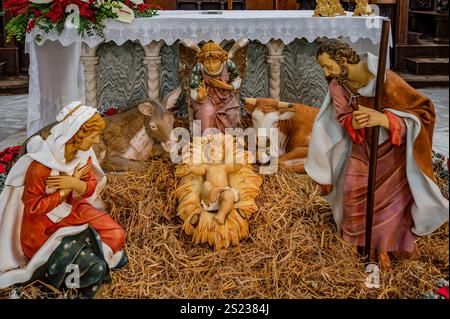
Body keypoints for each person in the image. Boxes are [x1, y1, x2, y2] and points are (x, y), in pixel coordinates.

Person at [305, 38, 449, 270]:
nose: (325, 72)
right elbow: (341, 117)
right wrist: (355, 120)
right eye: (323, 67)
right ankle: (354, 243)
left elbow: (423, 112)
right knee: (352, 190)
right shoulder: (337, 86)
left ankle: (384, 247)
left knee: (392, 204)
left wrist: (383, 118)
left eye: (328, 65)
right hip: (362, 148)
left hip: (392, 153)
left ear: (342, 60)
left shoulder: (385, 78)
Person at [0, 102, 126, 294]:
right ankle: (82, 259)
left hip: (73, 211)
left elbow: (90, 186)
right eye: (93, 136)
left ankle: (88, 250)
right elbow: (33, 208)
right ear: (77, 134)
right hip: (41, 228)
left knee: (117, 235)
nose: (96, 141)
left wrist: (75, 184)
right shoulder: (41, 166)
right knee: (94, 264)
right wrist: (64, 191)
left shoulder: (83, 155)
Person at [189, 42, 242, 132]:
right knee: (207, 113)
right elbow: (193, 89)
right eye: (207, 62)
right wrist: (199, 97)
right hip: (207, 97)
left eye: (215, 61)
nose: (211, 65)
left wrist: (226, 86)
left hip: (226, 98)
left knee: (232, 115)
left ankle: (227, 138)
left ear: (221, 60)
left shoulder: (228, 64)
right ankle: (206, 138)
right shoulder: (198, 67)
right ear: (202, 61)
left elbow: (237, 79)